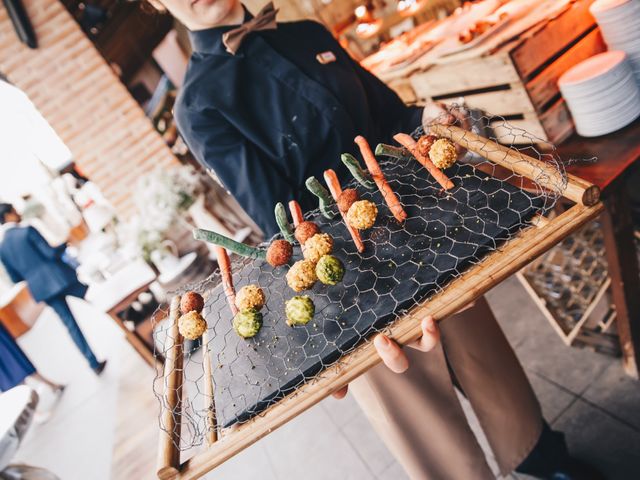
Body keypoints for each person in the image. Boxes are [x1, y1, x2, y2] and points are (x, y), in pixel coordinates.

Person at [153, 1, 601, 478]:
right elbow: (280, 220)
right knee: (421, 419)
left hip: (427, 225)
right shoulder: (200, 103)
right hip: (347, 283)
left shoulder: (308, 33)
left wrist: (432, 116)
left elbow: (392, 116)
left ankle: (543, 459)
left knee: (487, 361)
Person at [0, 203, 107, 375]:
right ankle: (128, 318)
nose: (18, 212)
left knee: (70, 325)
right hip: (60, 278)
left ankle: (93, 364)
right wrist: (64, 243)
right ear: (8, 215)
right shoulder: (27, 231)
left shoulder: (2, 248)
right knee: (96, 296)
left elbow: (15, 278)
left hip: (42, 289)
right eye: (14, 210)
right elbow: (50, 254)